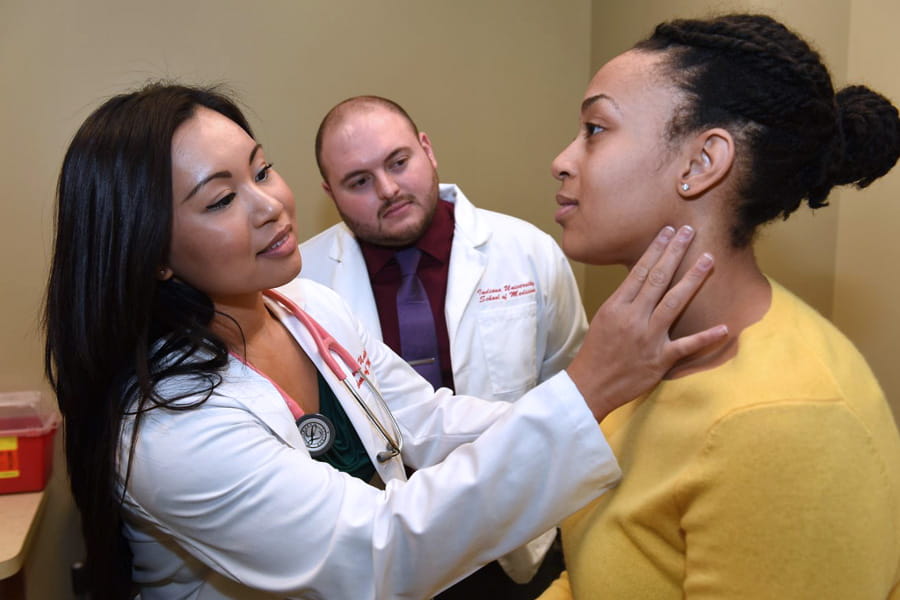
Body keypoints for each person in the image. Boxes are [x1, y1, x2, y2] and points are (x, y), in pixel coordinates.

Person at [44, 83, 726, 600]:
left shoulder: (304, 305)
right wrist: (588, 390)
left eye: (261, 168)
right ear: (151, 251)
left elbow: (425, 421)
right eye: (221, 200)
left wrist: (608, 414)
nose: (269, 204)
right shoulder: (168, 428)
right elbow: (376, 552)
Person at [538, 13, 900, 599]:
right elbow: (591, 573)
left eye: (595, 129)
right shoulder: (636, 356)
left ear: (702, 162)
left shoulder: (785, 422)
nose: (563, 159)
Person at [301, 95, 586, 596]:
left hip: (515, 535)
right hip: (382, 547)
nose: (388, 190)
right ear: (331, 192)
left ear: (427, 150)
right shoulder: (303, 282)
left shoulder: (528, 252)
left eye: (399, 162)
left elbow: (570, 382)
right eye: (359, 181)